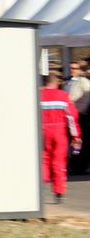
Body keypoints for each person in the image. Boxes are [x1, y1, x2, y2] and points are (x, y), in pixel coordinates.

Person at [40, 72, 82, 204]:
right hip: (59, 131)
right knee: (59, 161)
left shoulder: (38, 96)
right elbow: (71, 118)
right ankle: (59, 192)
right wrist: (76, 136)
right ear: (56, 83)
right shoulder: (63, 96)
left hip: (42, 130)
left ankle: (40, 185)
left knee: (43, 159)